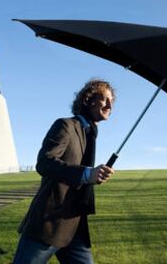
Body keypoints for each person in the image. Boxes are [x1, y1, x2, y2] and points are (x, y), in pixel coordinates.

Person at [13, 79, 116, 264]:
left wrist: (94, 176)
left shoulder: (90, 134)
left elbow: (81, 174)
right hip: (48, 224)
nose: (110, 105)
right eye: (105, 99)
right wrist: (86, 174)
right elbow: (44, 162)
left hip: (75, 225)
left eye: (112, 101)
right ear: (89, 99)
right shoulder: (66, 125)